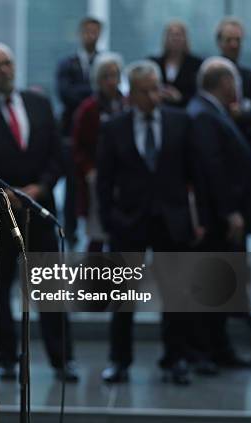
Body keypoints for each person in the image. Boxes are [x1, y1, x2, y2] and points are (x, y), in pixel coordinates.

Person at [0, 43, 77, 382]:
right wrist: (1, 192)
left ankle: (63, 358)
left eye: (8, 63)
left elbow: (58, 154)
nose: (5, 70)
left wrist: (42, 187)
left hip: (39, 210)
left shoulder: (39, 103)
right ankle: (6, 358)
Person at [97, 60, 200, 385]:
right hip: (129, 221)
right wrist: (111, 220)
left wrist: (198, 219)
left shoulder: (180, 121)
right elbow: (104, 182)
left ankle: (175, 359)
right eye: (146, 91)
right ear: (132, 94)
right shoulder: (115, 127)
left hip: (172, 219)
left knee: (176, 295)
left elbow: (195, 174)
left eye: (156, 88)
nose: (154, 96)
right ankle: (120, 361)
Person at [187, 57, 251, 372]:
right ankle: (206, 352)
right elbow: (213, 168)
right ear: (223, 82)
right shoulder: (205, 115)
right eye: (233, 81)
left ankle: (220, 350)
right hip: (217, 218)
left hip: (222, 217)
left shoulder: (212, 112)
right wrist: (230, 211)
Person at [56, 16, 103, 249]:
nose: (90, 36)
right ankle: (71, 230)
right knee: (72, 185)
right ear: (80, 33)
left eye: (95, 31)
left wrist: (83, 93)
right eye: (87, 31)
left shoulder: (105, 62)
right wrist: (93, 92)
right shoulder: (67, 63)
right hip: (70, 135)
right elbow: (65, 94)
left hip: (98, 137)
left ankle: (95, 231)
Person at [71, 52, 126, 252]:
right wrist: (88, 170)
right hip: (97, 178)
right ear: (97, 79)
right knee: (97, 233)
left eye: (115, 75)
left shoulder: (127, 104)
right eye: (106, 76)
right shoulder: (88, 109)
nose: (112, 81)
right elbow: (78, 147)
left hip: (125, 178)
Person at [216, 17, 251, 159]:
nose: (234, 45)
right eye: (229, 40)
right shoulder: (207, 77)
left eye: (238, 40)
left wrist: (243, 116)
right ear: (219, 43)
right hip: (217, 152)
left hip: (248, 153)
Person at [149, 20, 203, 108]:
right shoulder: (154, 63)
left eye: (178, 35)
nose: (175, 38)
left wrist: (180, 97)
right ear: (165, 38)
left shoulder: (196, 64)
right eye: (172, 35)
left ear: (185, 38)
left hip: (186, 111)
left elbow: (199, 93)